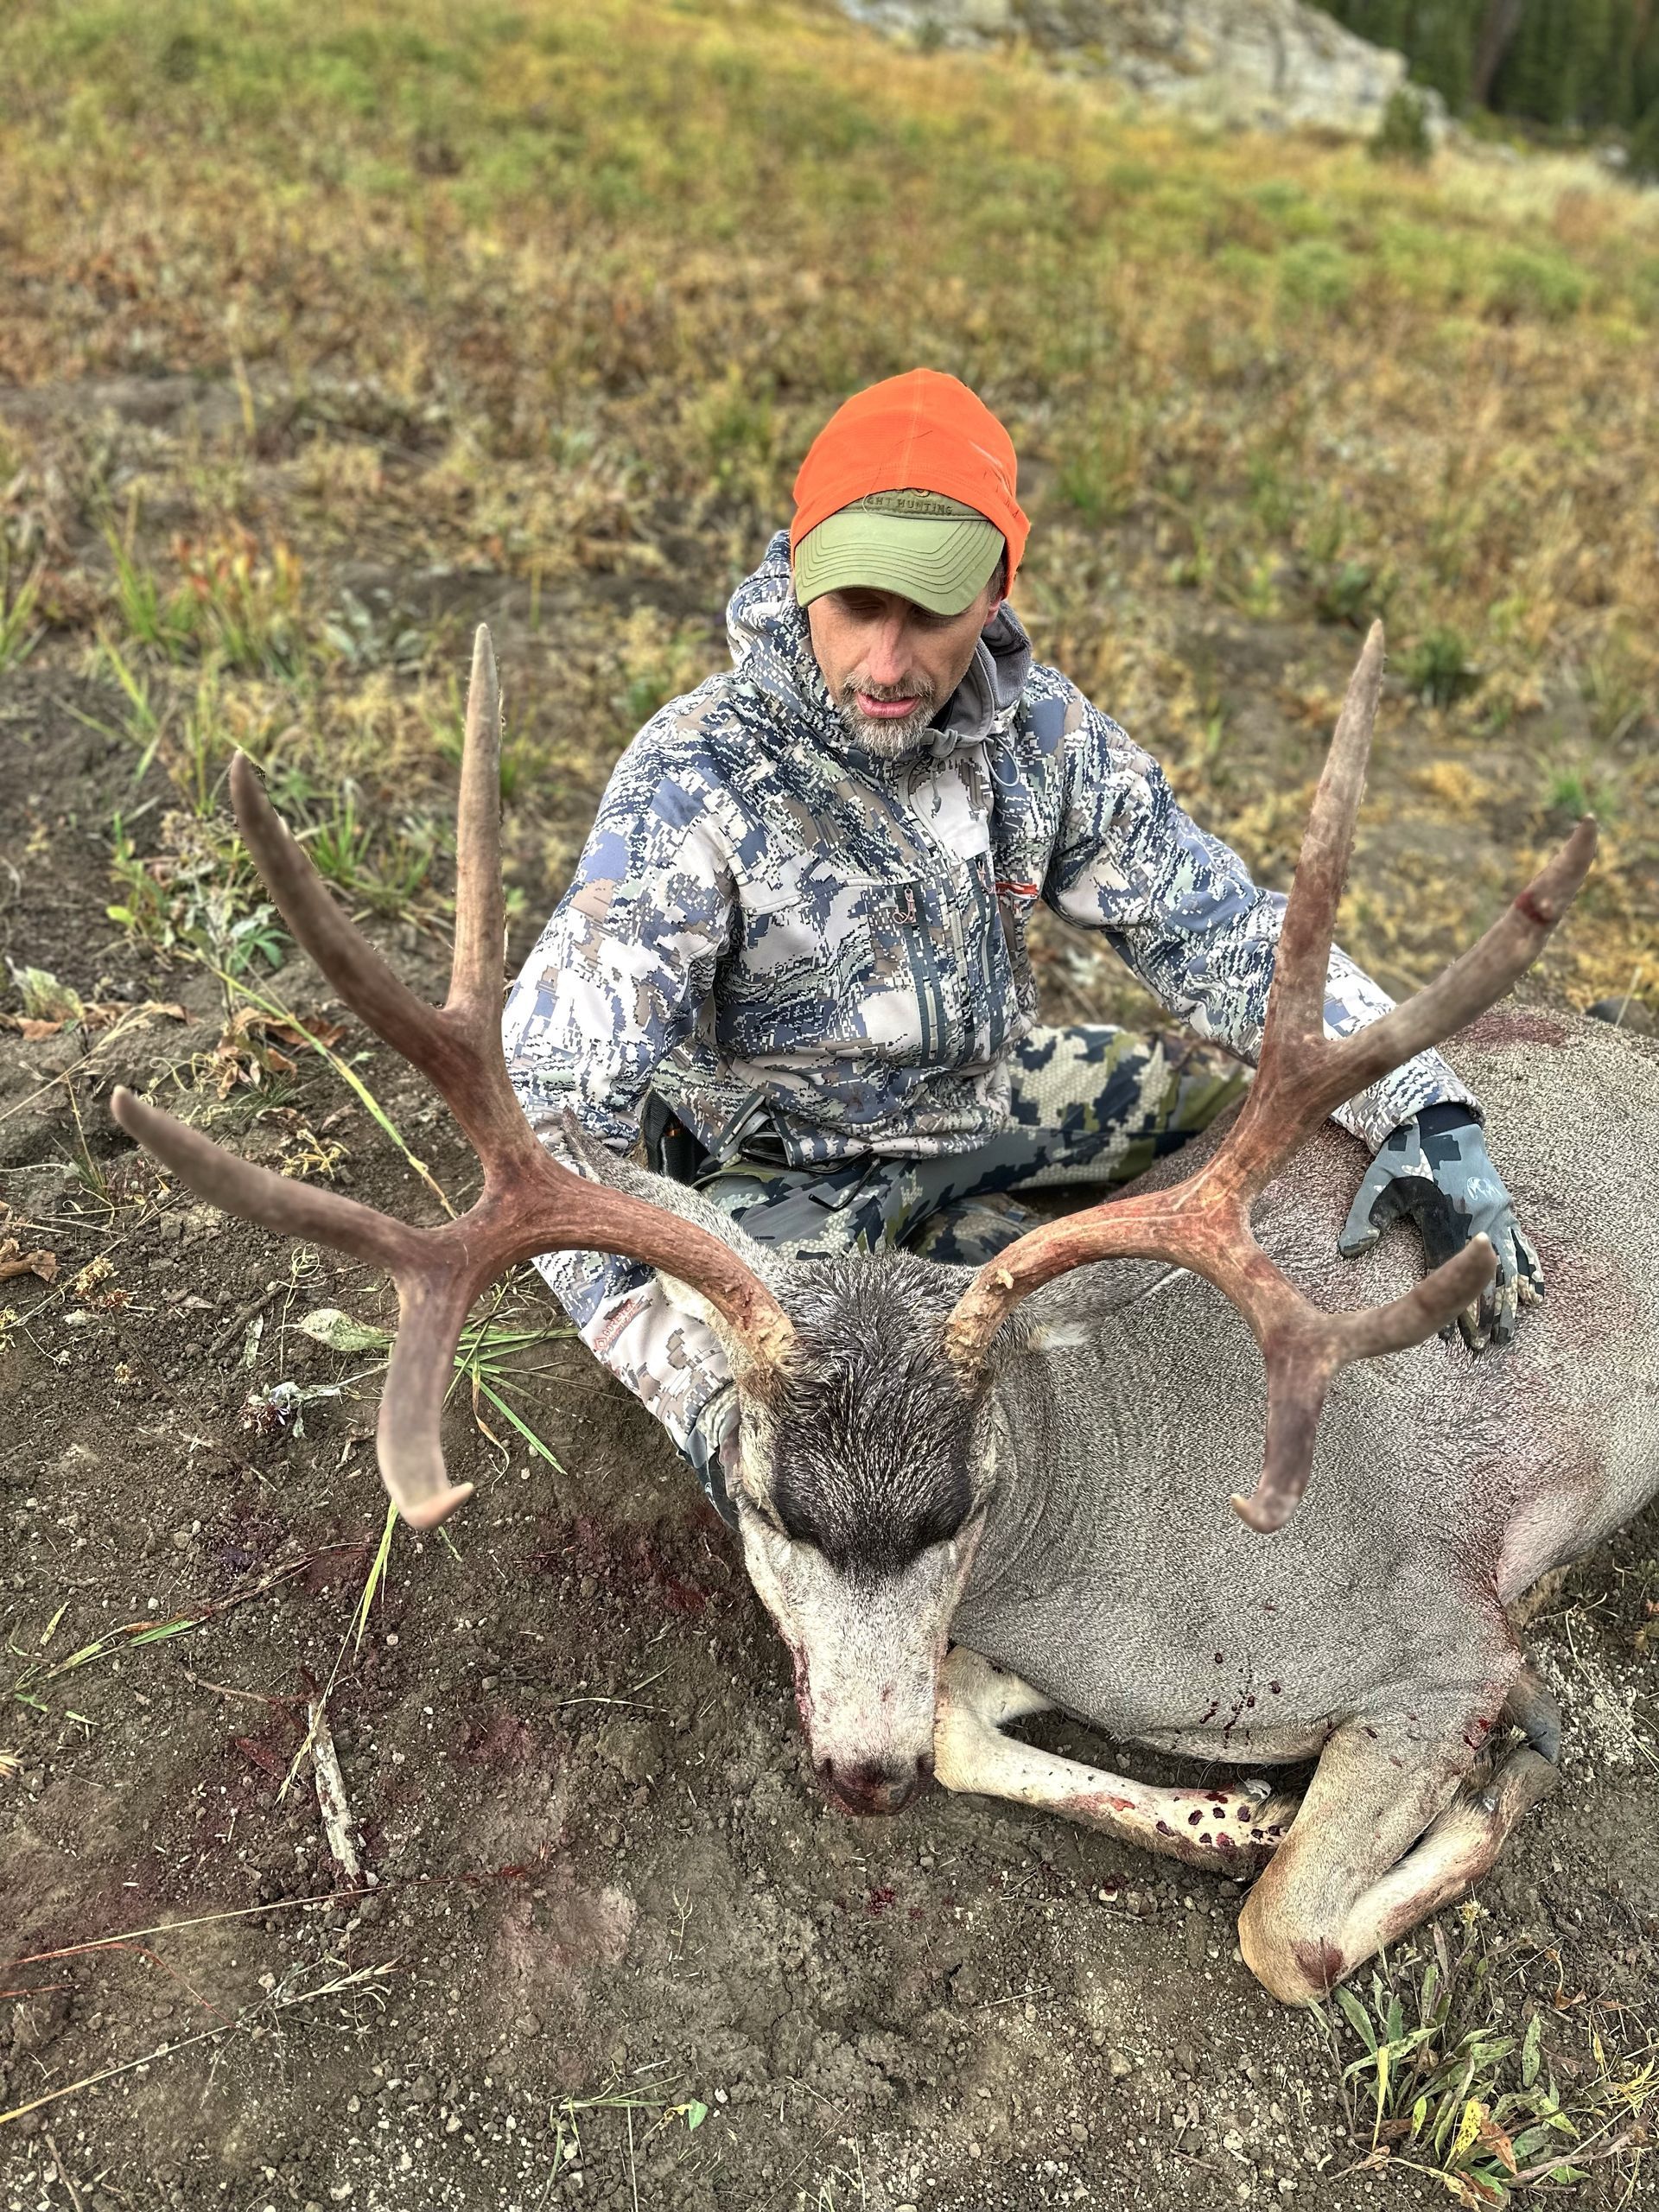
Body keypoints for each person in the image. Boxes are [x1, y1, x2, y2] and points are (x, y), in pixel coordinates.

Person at [502, 368, 1540, 1516]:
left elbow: (1222, 932)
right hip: (781, 1178)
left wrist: (1421, 1107)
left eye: (929, 612)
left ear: (996, 587)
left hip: (988, 1101)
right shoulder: (696, 776)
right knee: (858, 1440)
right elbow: (547, 1101)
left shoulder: (1044, 739)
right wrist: (699, 1395)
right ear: (797, 575)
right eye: (855, 605)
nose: (885, 663)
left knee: (1248, 1120)